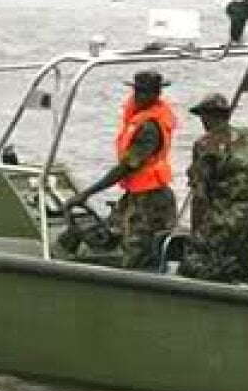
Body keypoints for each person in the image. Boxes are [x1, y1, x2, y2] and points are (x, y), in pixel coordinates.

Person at [60, 71, 177, 269]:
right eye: (137, 91)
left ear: (156, 95)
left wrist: (86, 194)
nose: (139, 97)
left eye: (146, 92)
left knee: (137, 257)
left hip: (151, 201)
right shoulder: (139, 118)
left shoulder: (149, 128)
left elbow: (125, 167)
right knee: (102, 234)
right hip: (135, 196)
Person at [179, 93, 248, 283]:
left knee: (191, 267)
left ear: (207, 117)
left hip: (221, 223)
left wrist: (196, 237)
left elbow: (200, 196)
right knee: (238, 269)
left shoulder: (205, 145)